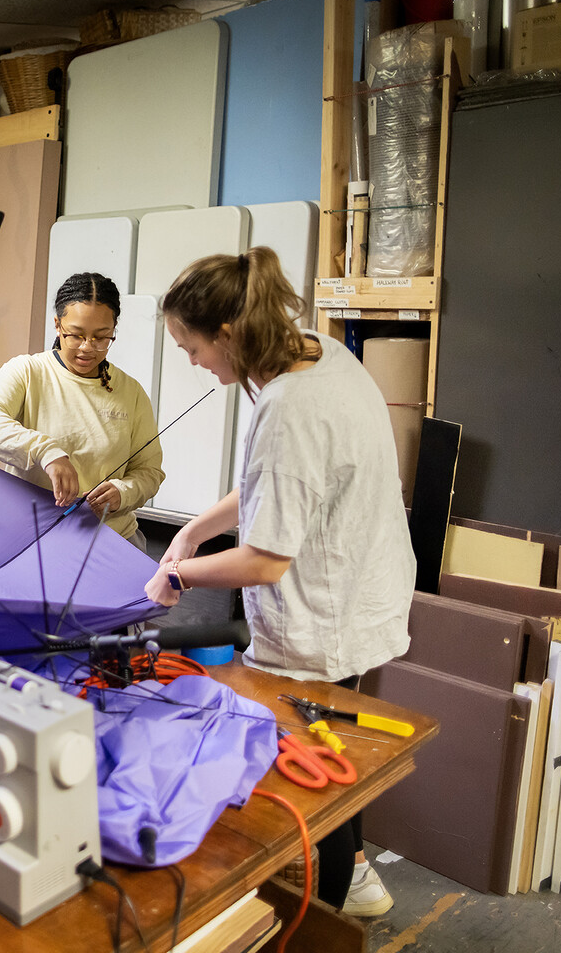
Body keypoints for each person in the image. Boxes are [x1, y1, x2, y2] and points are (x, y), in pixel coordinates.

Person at [141, 246, 415, 916]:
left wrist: (175, 572)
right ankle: (356, 878)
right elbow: (278, 485)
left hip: (327, 613)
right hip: (363, 587)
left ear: (228, 334)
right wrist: (196, 529)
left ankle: (328, 906)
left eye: (192, 347)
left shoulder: (289, 409)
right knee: (332, 745)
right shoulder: (318, 350)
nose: (193, 363)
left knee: (312, 769)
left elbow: (265, 559)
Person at [0, 272, 164, 550]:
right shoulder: (27, 371)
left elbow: (149, 471)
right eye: (76, 335)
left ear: (114, 329)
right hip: (32, 538)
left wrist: (123, 493)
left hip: (112, 540)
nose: (87, 348)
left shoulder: (130, 392)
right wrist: (45, 451)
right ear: (58, 325)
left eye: (101, 338)